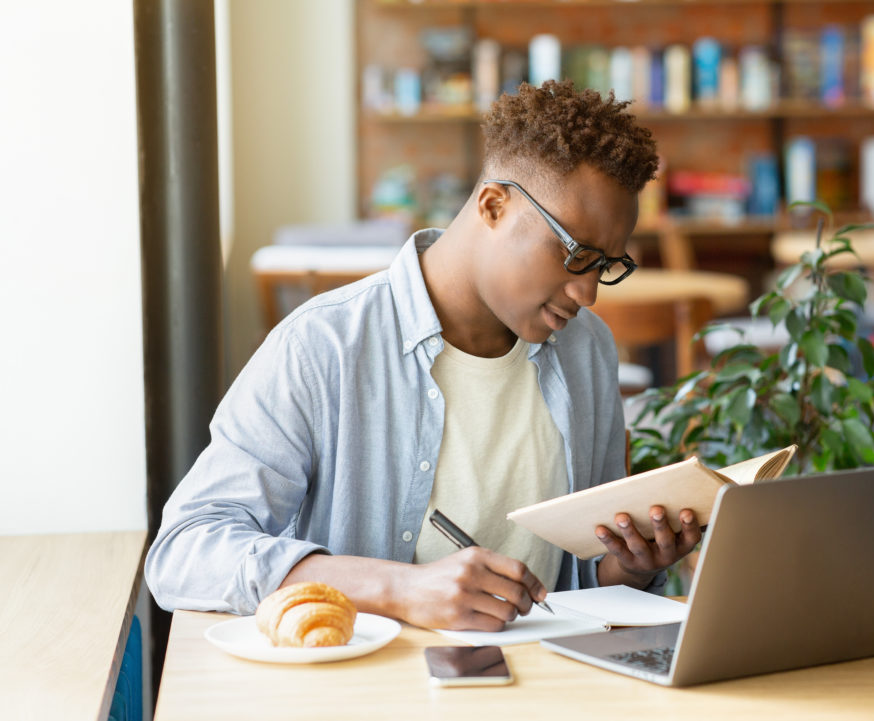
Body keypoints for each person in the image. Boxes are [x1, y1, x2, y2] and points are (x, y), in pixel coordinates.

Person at [145, 80, 702, 632]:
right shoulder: (324, 347)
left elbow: (574, 587)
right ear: (493, 205)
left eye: (606, 265)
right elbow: (184, 550)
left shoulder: (587, 351)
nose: (588, 294)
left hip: (544, 684)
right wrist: (397, 588)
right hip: (368, 690)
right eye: (576, 255)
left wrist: (624, 567)